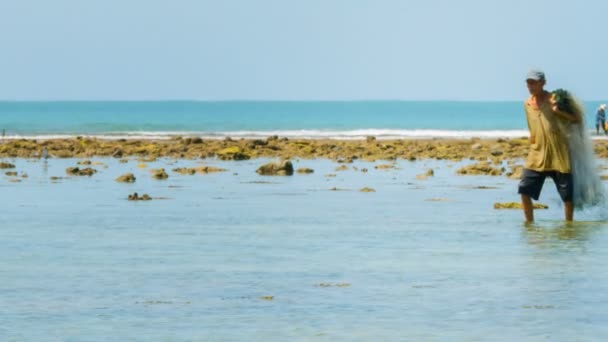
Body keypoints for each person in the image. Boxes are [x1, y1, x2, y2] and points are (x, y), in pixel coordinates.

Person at [518, 69, 581, 223]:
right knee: (524, 190)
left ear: (543, 83)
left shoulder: (556, 99)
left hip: (559, 154)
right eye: (528, 82)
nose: (530, 85)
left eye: (534, 82)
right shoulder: (527, 104)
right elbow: (532, 127)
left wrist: (558, 111)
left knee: (567, 196)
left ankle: (569, 226)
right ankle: (529, 225)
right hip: (537, 154)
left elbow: (576, 119)